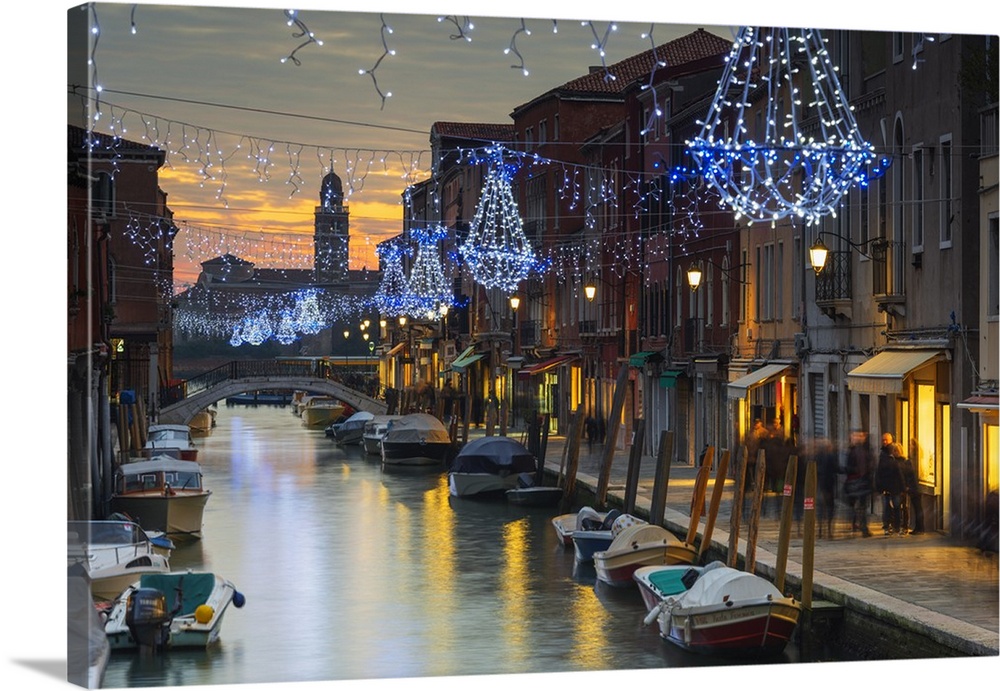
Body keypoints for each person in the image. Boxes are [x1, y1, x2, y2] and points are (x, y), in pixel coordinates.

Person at [843, 430, 873, 537]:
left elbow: (869, 466)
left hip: (861, 483)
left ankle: (860, 526)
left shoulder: (864, 451)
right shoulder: (855, 451)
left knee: (860, 507)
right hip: (857, 482)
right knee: (858, 507)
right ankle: (857, 526)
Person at [875, 433, 905, 535]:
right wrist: (879, 486)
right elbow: (879, 472)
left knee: (896, 507)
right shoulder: (883, 454)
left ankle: (895, 526)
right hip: (887, 487)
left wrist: (902, 487)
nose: (884, 442)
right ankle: (888, 526)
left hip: (895, 486)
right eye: (883, 440)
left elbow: (899, 473)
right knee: (887, 508)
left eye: (886, 440)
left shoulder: (893, 454)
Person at [814, 437, 839, 539]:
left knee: (821, 508)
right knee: (830, 508)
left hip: (820, 485)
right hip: (828, 485)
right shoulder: (831, 457)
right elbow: (836, 468)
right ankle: (828, 530)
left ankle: (820, 530)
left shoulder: (817, 457)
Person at [906, 439, 926, 534]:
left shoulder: (915, 459)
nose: (909, 447)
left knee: (918, 508)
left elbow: (914, 473)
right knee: (917, 508)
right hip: (914, 486)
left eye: (911, 445)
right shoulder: (914, 459)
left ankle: (920, 527)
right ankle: (918, 527)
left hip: (915, 486)